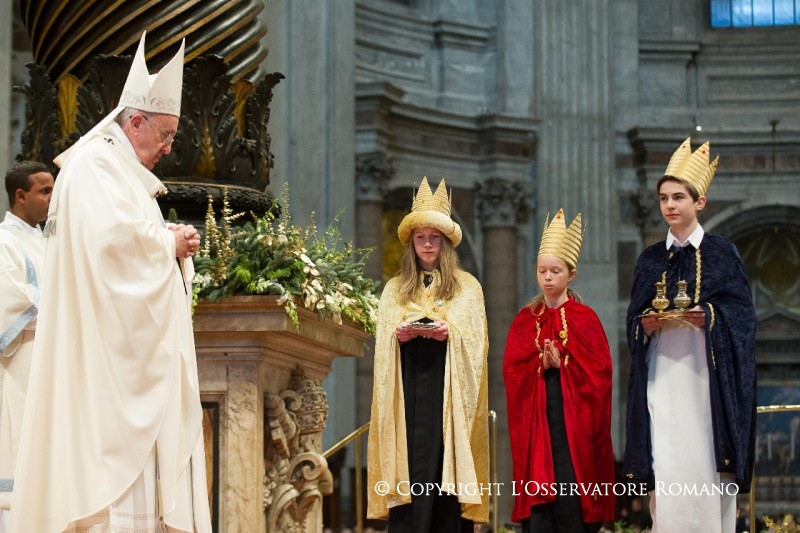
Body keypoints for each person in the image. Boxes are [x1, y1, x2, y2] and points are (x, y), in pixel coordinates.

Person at [9, 32, 212, 532]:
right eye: (164, 135)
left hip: (120, 353)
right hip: (104, 364)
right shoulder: (95, 164)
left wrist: (169, 242)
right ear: (135, 121)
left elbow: (128, 239)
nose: (168, 148)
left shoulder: (120, 171)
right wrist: (166, 243)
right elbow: (109, 247)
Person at [623, 138, 756, 532]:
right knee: (666, 463)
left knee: (705, 463)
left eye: (678, 197)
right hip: (662, 378)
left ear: (700, 202)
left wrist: (709, 315)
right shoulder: (650, 259)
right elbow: (633, 319)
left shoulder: (721, 253)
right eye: (664, 198)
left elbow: (744, 319)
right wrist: (644, 325)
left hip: (706, 383)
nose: (670, 205)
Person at [367, 177, 489, 532]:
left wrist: (451, 333)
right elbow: (382, 346)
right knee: (410, 459)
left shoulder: (467, 287)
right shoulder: (394, 289)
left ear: (446, 242)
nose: (427, 244)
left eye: (434, 237)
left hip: (446, 392)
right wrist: (398, 336)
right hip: (407, 388)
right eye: (420, 237)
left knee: (442, 463)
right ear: (411, 243)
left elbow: (478, 343)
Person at [504, 209, 615, 533]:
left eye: (555, 271)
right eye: (542, 271)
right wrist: (539, 364)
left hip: (572, 423)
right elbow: (511, 370)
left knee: (570, 485)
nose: (548, 277)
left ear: (571, 274)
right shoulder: (525, 320)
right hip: (537, 419)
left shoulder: (585, 318)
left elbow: (601, 373)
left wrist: (564, 365)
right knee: (540, 488)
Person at [0, 161, 54, 531]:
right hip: (22, 362)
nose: (52, 199)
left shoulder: (48, 240)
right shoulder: (5, 241)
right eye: (44, 191)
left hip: (51, 360)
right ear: (21, 195)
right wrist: (60, 307)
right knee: (20, 452)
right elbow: (10, 302)